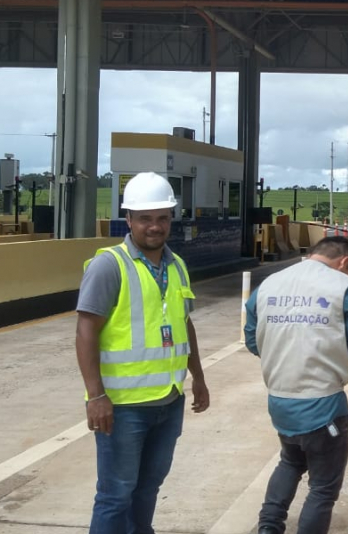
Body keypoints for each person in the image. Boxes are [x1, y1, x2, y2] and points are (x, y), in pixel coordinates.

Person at [75, 171, 210, 534]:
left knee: (148, 488)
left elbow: (184, 324)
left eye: (163, 218)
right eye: (146, 218)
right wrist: (96, 396)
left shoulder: (176, 265)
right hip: (123, 407)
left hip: (169, 401)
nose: (155, 226)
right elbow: (86, 330)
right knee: (115, 495)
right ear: (129, 219)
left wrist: (198, 377)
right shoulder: (109, 265)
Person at [245, 235, 348, 534]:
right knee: (323, 488)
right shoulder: (344, 287)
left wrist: (285, 359)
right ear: (344, 262)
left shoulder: (269, 284)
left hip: (280, 401)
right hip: (324, 405)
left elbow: (252, 340)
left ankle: (268, 527)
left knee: (290, 462)